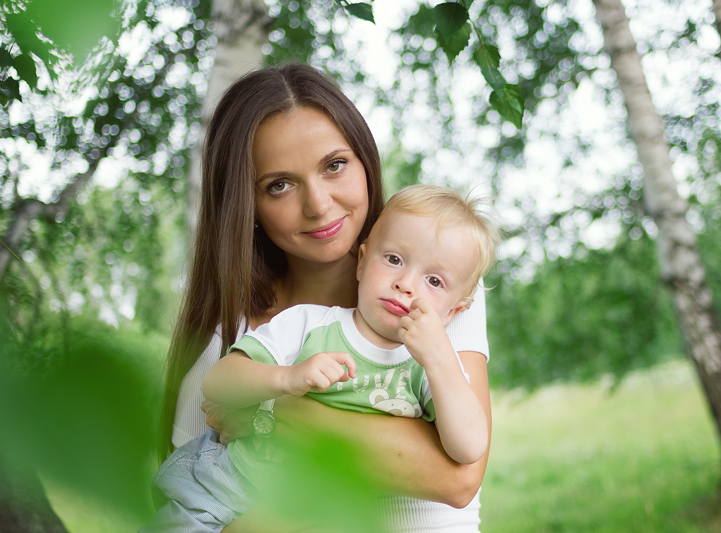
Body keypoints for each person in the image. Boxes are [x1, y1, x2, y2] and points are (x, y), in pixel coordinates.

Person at [160, 64, 493, 533]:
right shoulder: (229, 342)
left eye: (334, 165)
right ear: (247, 205)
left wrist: (276, 415)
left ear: (364, 161)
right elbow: (198, 507)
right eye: (279, 184)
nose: (317, 204)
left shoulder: (435, 293)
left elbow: (457, 478)